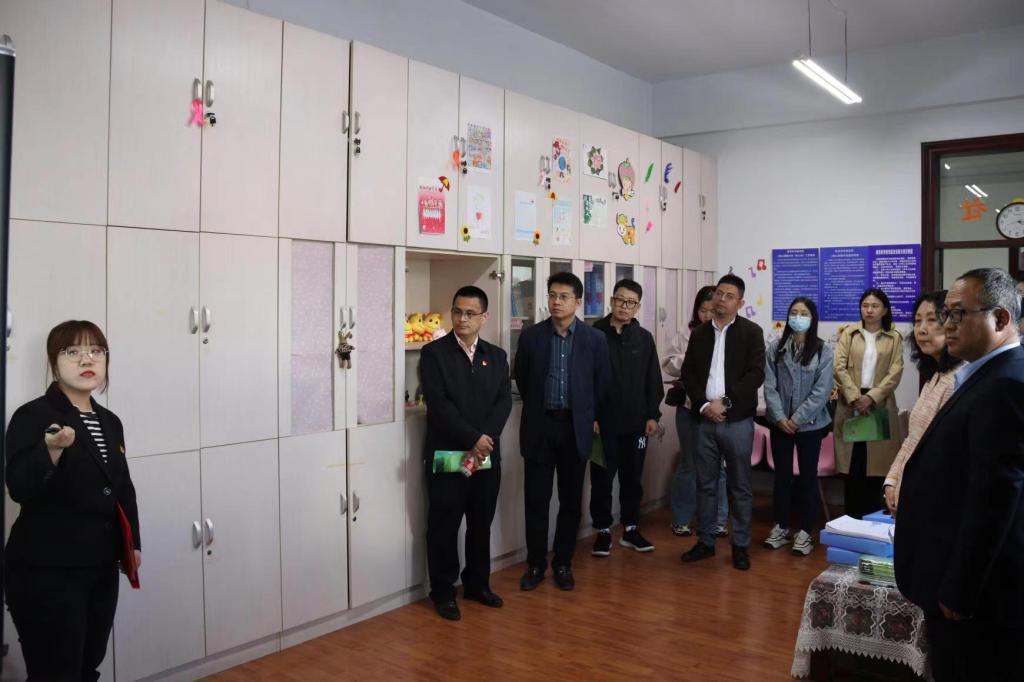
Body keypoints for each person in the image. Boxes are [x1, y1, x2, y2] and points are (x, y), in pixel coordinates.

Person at [895, 268, 1024, 681]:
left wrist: (960, 589)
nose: (946, 325)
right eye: (944, 314)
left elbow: (994, 497)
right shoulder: (982, 375)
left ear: (1000, 319)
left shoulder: (1005, 383)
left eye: (957, 314)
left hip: (975, 591)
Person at [5, 320, 141, 681]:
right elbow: (19, 488)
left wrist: (133, 544)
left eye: (96, 351)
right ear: (54, 362)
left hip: (101, 566)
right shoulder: (32, 416)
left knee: (87, 664)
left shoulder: (110, 421)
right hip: (46, 571)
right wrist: (49, 451)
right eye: (73, 351)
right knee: (55, 672)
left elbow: (122, 487)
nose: (87, 359)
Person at [420, 286, 512, 621]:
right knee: (444, 526)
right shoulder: (434, 354)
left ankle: (477, 584)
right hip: (448, 455)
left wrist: (485, 439)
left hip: (485, 456)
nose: (462, 319)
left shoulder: (496, 356)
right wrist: (474, 437)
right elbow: (439, 405)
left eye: (470, 313)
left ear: (484, 317)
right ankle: (444, 592)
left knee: (480, 524)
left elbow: (503, 401)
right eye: (457, 311)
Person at [514, 272, 610, 591]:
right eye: (552, 295)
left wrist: (589, 415)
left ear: (578, 302)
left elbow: (602, 383)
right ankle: (536, 563)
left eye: (564, 296)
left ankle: (563, 563)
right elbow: (523, 379)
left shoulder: (594, 339)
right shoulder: (531, 337)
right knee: (536, 500)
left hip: (575, 427)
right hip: (540, 426)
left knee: (570, 501)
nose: (556, 302)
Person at [679, 274, 765, 571]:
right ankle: (705, 541)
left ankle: (740, 545)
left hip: (736, 420)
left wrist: (725, 402)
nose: (722, 299)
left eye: (729, 296)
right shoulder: (700, 333)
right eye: (719, 293)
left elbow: (756, 374)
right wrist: (704, 405)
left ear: (740, 303)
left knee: (740, 485)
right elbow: (688, 374)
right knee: (705, 484)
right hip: (704, 420)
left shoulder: (751, 332)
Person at [590, 279, 664, 556]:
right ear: (611, 301)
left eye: (630, 302)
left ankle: (631, 529)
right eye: (620, 300)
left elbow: (653, 380)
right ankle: (602, 531)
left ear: (637, 307)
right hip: (602, 425)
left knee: (632, 480)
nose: (624, 306)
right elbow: (585, 379)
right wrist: (591, 416)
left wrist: (653, 415)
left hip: (636, 425)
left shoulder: (643, 338)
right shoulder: (594, 334)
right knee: (601, 480)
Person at [762, 297, 833, 556]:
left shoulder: (823, 350)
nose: (798, 317)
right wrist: (780, 417)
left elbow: (822, 391)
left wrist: (796, 419)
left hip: (810, 425)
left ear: (812, 319)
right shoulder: (776, 348)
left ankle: (805, 531)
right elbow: (769, 386)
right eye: (794, 312)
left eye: (804, 313)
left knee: (807, 477)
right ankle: (780, 526)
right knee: (782, 477)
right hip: (779, 423)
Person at [882, 291, 964, 515]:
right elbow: (913, 439)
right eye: (917, 321)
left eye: (932, 320)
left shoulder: (959, 379)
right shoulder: (935, 376)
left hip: (932, 500)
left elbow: (942, 453)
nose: (921, 329)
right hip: (912, 495)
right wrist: (891, 481)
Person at [663, 286, 730, 537]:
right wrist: (691, 355)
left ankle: (718, 520)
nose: (707, 315)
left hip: (718, 410)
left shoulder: (729, 335)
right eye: (703, 310)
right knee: (689, 463)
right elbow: (668, 364)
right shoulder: (686, 334)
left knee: (718, 466)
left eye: (712, 310)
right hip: (690, 408)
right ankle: (681, 519)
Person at [832, 288, 904, 519]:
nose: (869, 310)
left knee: (876, 466)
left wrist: (871, 397)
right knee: (854, 464)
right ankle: (851, 519)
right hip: (852, 403)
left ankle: (873, 520)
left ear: (884, 310)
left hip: (878, 404)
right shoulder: (849, 333)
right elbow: (839, 367)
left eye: (874, 306)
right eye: (865, 305)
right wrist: (855, 397)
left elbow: (895, 372)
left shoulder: (894, 337)